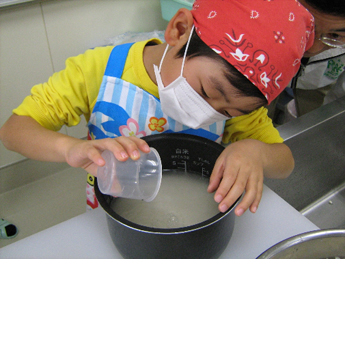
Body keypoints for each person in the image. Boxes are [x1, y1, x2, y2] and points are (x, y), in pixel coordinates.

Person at [0, 0, 314, 216]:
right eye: (205, 91)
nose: (209, 113)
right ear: (179, 30)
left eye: (229, 113)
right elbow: (14, 131)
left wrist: (256, 153)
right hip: (113, 211)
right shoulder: (98, 70)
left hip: (191, 211)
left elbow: (284, 162)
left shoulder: (240, 104)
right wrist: (68, 148)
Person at [271, 0, 345, 119]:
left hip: (320, 81)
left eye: (335, 36)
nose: (312, 49)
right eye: (304, 26)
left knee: (313, 117)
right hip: (265, 73)